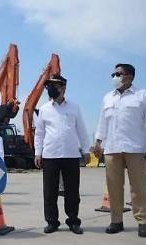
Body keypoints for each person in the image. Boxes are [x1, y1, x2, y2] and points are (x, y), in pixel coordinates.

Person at [94, 63, 146, 237]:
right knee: (114, 187)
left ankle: (144, 221)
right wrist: (98, 142)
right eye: (113, 74)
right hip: (112, 147)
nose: (114, 77)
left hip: (135, 147)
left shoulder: (142, 95)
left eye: (118, 74)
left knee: (139, 187)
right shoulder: (108, 97)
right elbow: (102, 122)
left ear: (129, 76)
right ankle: (116, 221)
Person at [34, 75, 90, 235]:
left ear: (63, 87)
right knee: (49, 192)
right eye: (48, 86)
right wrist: (38, 153)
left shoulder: (74, 107)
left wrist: (86, 150)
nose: (50, 88)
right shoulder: (44, 109)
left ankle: (73, 221)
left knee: (72, 191)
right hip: (50, 155)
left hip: (71, 155)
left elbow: (82, 130)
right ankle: (52, 222)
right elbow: (39, 134)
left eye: (54, 85)